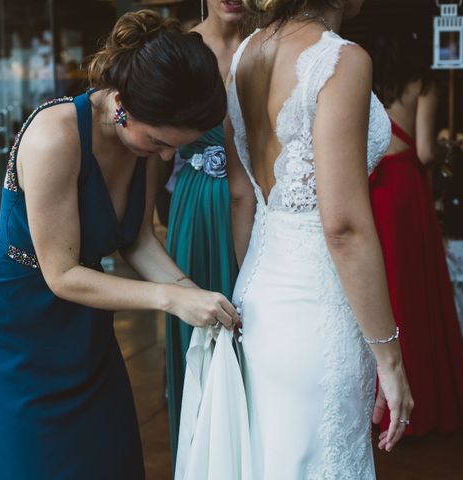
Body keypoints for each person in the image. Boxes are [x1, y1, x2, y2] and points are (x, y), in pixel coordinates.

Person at [0, 10, 239, 479]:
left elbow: (138, 239)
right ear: (123, 104)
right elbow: (61, 273)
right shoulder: (55, 137)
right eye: (160, 143)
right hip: (12, 333)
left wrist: (195, 292)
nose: (167, 157)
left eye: (175, 147)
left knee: (111, 462)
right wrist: (172, 300)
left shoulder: (141, 144)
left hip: (84, 330)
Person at [181, 0, 414, 477]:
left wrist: (249, 287)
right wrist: (389, 358)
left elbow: (242, 194)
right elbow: (343, 226)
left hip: (259, 292)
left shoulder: (248, 52)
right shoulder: (343, 60)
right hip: (319, 307)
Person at [368, 29, 463, 435]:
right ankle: (421, 402)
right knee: (415, 287)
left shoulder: (367, 84)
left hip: (375, 187)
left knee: (384, 284)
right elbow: (426, 151)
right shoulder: (422, 85)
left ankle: (379, 401)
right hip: (408, 190)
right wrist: (452, 146)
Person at [164, 0, 246, 456]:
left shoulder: (273, 47)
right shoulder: (182, 50)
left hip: (260, 208)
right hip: (196, 211)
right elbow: (153, 151)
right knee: (198, 335)